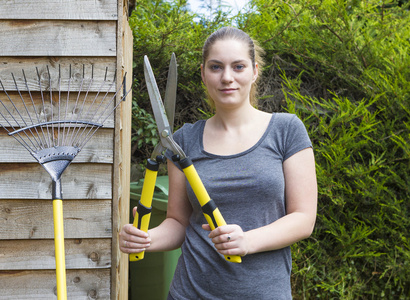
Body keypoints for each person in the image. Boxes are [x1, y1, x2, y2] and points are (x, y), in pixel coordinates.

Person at [120, 27, 318, 299]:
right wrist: (146, 239)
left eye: (238, 66)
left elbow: (303, 219)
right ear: (203, 73)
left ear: (254, 71)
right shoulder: (184, 140)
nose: (227, 77)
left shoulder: (287, 130)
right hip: (191, 292)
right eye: (216, 67)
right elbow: (178, 222)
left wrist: (247, 241)